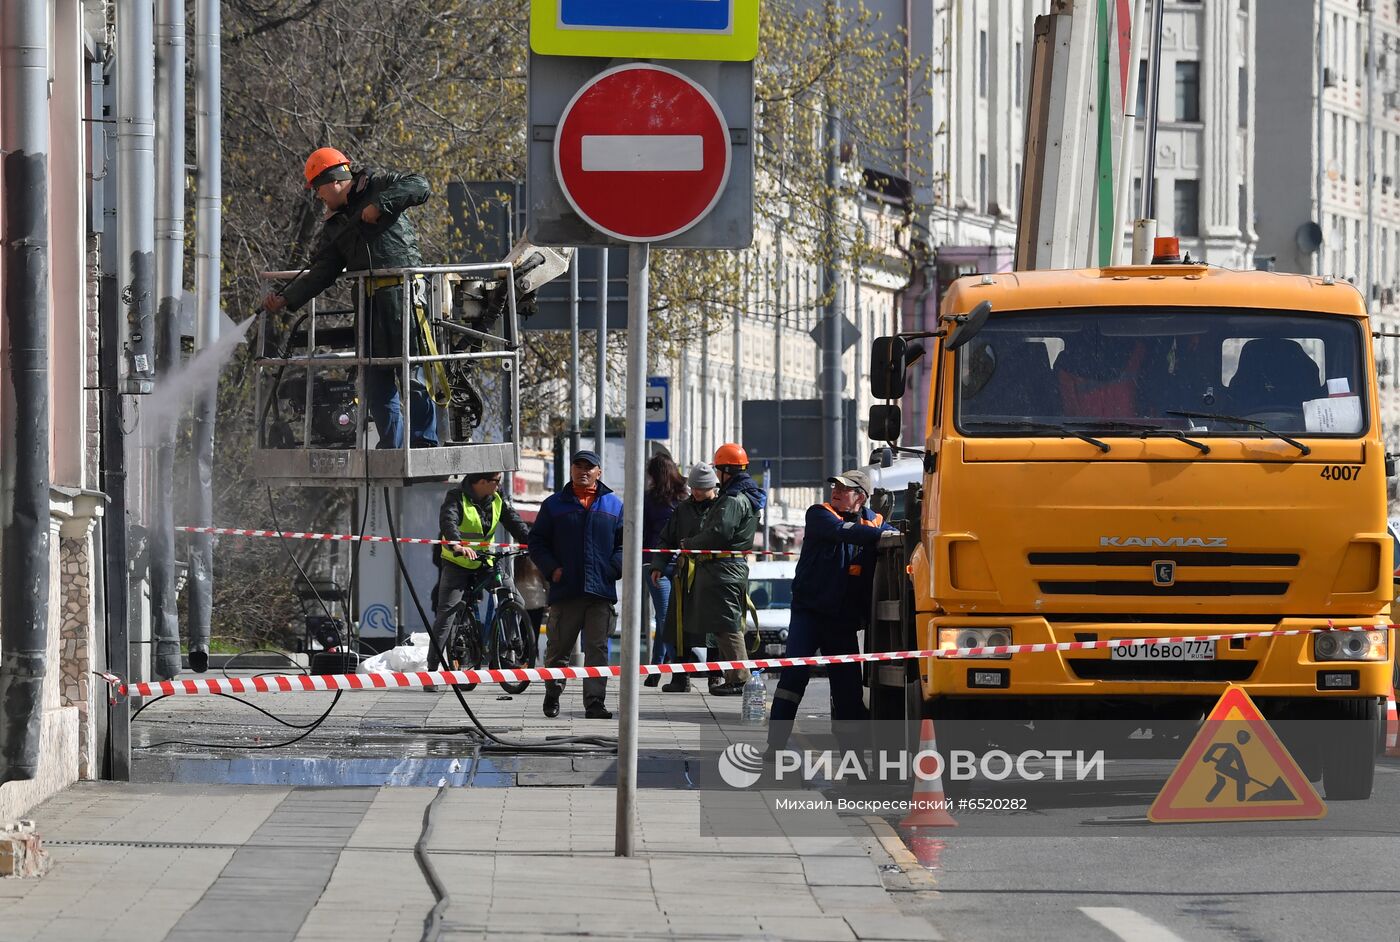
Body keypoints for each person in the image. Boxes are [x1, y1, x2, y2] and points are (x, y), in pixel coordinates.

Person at [262, 147, 438, 449]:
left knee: (411, 373)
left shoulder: (379, 186)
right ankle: (392, 444)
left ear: (332, 182)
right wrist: (286, 298)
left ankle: (424, 441)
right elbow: (322, 271)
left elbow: (420, 186)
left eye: (318, 189)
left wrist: (381, 205)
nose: (318, 197)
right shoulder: (334, 228)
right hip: (369, 304)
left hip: (403, 296)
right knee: (374, 378)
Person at [767, 469, 896, 755]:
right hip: (809, 614)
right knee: (792, 680)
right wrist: (882, 533)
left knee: (848, 691)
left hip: (842, 620)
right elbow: (845, 533)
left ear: (861, 497)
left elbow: (882, 539)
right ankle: (774, 747)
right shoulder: (819, 513)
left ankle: (855, 757)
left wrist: (886, 532)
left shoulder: (875, 522)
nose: (835, 491)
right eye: (834, 486)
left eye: (844, 489)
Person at [527, 449, 624, 720]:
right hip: (566, 590)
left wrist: (613, 568)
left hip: (600, 593)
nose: (583, 471)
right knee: (559, 648)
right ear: (571, 470)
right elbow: (537, 542)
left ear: (598, 472)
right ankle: (553, 694)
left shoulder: (614, 506)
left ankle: (595, 703)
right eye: (578, 466)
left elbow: (624, 544)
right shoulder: (553, 505)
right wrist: (552, 569)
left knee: (597, 651)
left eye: (589, 467)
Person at [426, 471, 533, 680]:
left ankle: (501, 653)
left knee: (515, 600)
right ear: (482, 482)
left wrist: (531, 542)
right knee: (446, 614)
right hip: (457, 562)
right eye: (497, 481)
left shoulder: (497, 497)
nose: (499, 485)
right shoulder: (456, 497)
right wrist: (457, 544)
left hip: (486, 561)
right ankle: (431, 671)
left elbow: (513, 521)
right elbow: (448, 521)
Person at [683, 443, 765, 695]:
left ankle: (739, 679)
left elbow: (720, 531)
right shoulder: (745, 496)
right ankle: (734, 676)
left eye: (718, 470)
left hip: (724, 570)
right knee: (724, 623)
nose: (716, 476)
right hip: (729, 569)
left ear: (726, 471)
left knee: (727, 625)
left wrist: (691, 544)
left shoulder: (733, 499)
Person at [651, 462, 720, 693]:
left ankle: (716, 675)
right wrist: (658, 565)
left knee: (713, 629)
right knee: (679, 627)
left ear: (712, 486)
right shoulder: (682, 509)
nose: (696, 492)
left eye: (701, 488)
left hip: (712, 577)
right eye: (693, 488)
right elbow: (666, 539)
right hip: (685, 577)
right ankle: (681, 678)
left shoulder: (721, 507)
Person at [642, 452, 687, 686]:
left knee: (664, 617)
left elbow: (641, 531)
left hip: (653, 562)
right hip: (678, 561)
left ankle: (664, 670)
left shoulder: (648, 500)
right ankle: (671, 669)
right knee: (665, 616)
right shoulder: (684, 497)